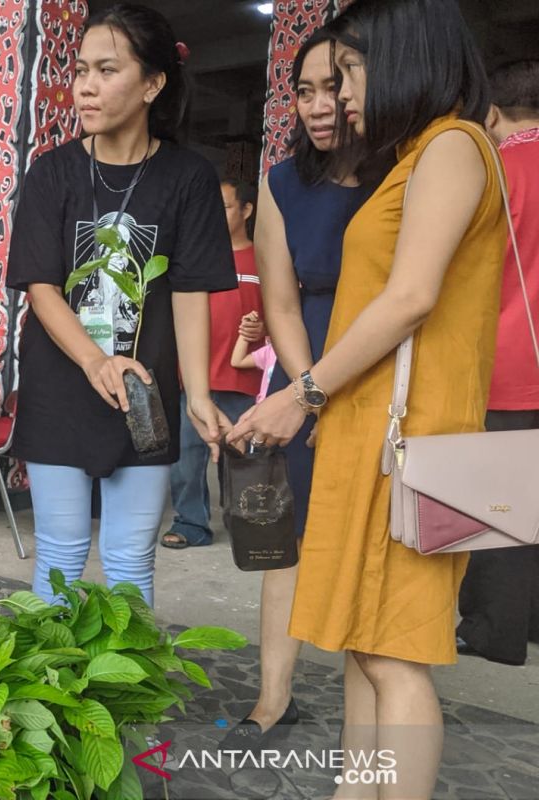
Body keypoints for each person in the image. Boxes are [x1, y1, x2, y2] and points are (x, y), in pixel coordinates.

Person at [229, 0, 505, 794]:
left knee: (397, 657)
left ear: (404, 57)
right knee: (363, 642)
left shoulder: (452, 146)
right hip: (377, 432)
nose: (340, 93)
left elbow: (412, 295)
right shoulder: (418, 153)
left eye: (349, 70)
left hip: (413, 440)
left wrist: (302, 393)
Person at [7, 3, 236, 606]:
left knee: (131, 557)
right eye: (81, 69)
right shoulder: (51, 173)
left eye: (106, 70)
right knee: (59, 549)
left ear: (153, 84)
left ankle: (124, 699)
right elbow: (42, 288)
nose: (85, 85)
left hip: (144, 397)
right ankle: (53, 697)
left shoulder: (188, 179)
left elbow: (188, 291)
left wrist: (200, 396)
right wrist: (95, 361)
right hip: (60, 388)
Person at [219, 30, 379, 752]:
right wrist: (307, 389)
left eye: (333, 86)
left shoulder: (400, 172)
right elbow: (280, 302)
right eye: (305, 91)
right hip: (301, 365)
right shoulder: (281, 182)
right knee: (281, 542)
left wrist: (329, 386)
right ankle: (272, 698)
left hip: (377, 365)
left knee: (363, 547)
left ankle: (373, 713)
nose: (321, 105)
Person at [456, 59, 539, 667]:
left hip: (507, 362)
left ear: (491, 112)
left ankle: (496, 631)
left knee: (502, 508)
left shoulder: (495, 172)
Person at [161, 178, 264, 549]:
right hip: (195, 377)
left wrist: (261, 328)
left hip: (244, 377)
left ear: (246, 210)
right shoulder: (195, 257)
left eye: (223, 207)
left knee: (242, 457)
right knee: (187, 458)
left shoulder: (263, 259)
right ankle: (191, 523)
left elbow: (281, 314)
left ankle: (245, 524)